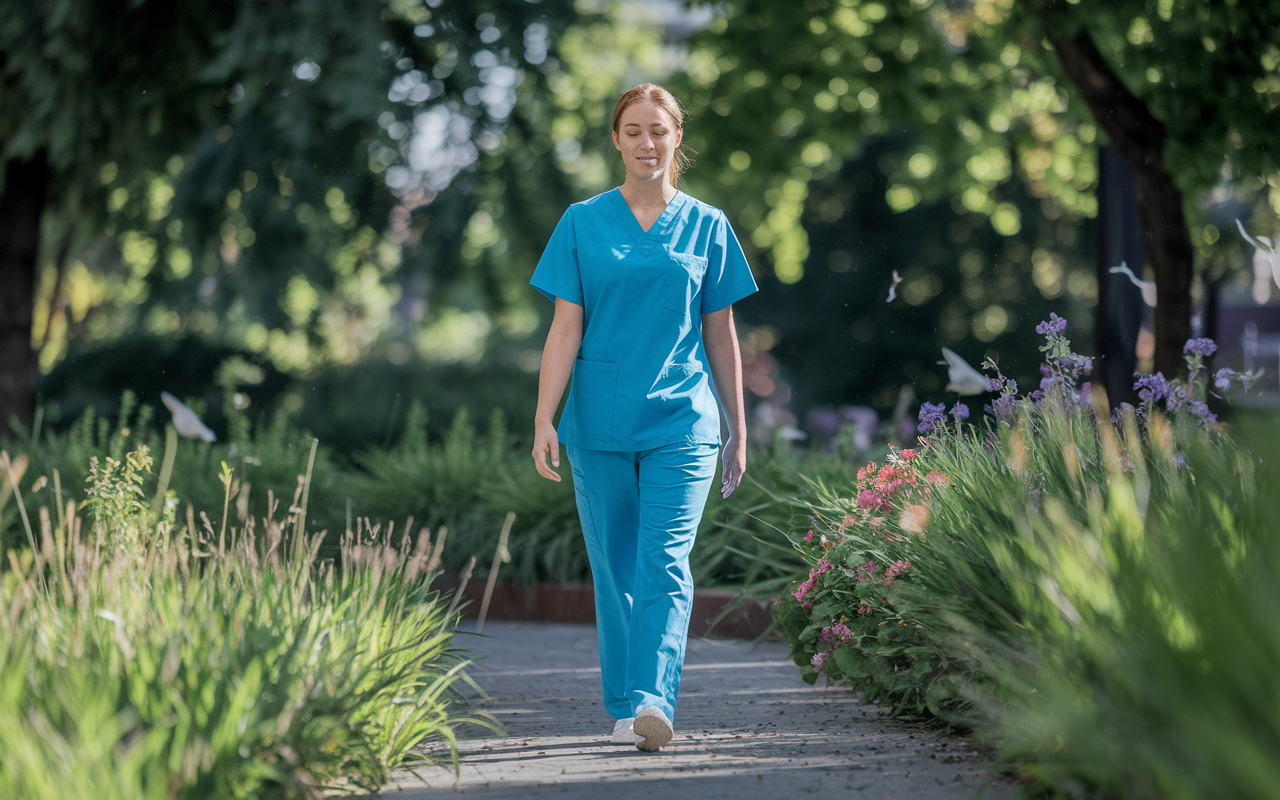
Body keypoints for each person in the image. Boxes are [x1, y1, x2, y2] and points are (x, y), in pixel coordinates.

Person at [529, 83, 758, 752]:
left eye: (658, 130)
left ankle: (655, 699)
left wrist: (738, 427)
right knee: (614, 569)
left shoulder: (708, 225)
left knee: (664, 561)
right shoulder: (581, 222)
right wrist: (545, 418)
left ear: (677, 138)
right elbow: (564, 330)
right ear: (616, 140)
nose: (646, 143)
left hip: (683, 424)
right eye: (633, 131)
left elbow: (721, 336)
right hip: (597, 423)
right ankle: (629, 703)